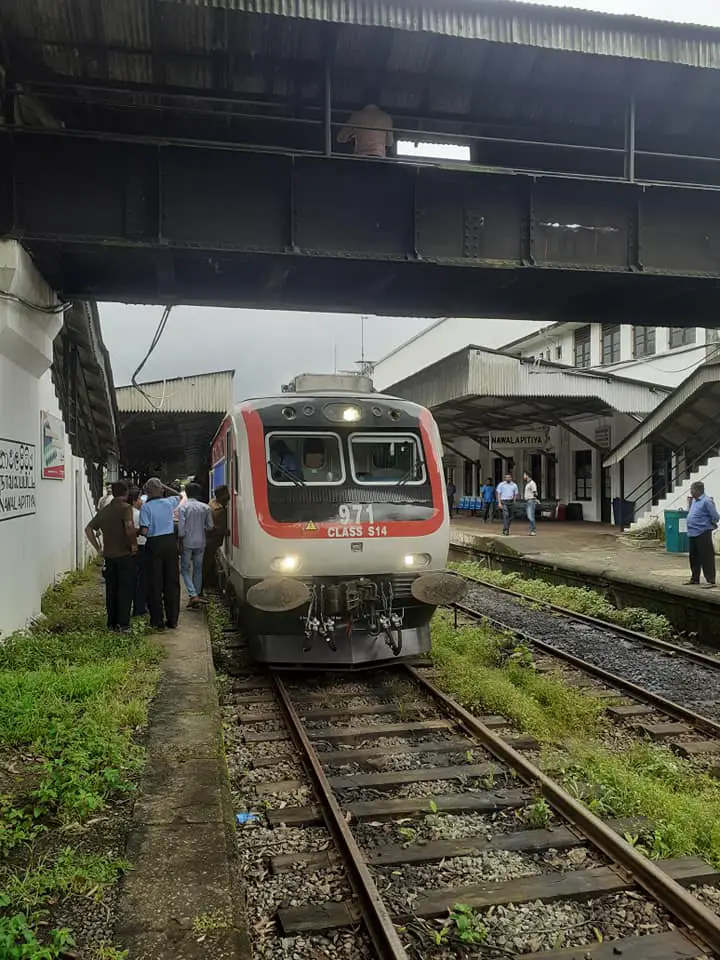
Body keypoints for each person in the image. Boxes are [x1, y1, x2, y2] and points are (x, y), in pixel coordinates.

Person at [85, 480, 137, 631]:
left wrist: (98, 548)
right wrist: (133, 544)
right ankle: (123, 624)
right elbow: (129, 528)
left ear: (113, 493)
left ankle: (111, 623)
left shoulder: (105, 510)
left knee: (111, 591)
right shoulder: (126, 508)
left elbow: (88, 529)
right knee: (125, 590)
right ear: (126, 493)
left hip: (109, 557)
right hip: (124, 555)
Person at [140, 477, 182, 630]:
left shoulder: (146, 507)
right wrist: (163, 485)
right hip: (170, 544)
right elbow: (180, 495)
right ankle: (173, 620)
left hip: (154, 545)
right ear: (161, 490)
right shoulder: (169, 502)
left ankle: (157, 620)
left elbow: (144, 531)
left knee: (155, 583)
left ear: (147, 492)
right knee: (172, 582)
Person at [178, 483, 214, 609]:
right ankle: (196, 594)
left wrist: (180, 539)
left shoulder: (183, 508)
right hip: (201, 542)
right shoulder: (205, 507)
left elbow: (181, 530)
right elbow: (210, 526)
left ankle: (193, 595)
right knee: (198, 569)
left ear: (186, 493)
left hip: (187, 542)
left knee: (184, 569)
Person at [685, 481, 719, 588]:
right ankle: (695, 578)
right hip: (692, 532)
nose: (691, 491)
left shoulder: (707, 501)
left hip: (703, 532)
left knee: (706, 557)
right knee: (693, 557)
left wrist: (709, 525)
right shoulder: (694, 501)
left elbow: (715, 517)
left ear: (698, 490)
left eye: (692, 489)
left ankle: (710, 580)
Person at [203, 485, 230, 590]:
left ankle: (208, 585)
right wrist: (226, 531)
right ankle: (207, 586)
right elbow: (217, 528)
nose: (228, 496)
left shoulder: (212, 503)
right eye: (226, 494)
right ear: (222, 496)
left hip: (209, 539)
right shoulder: (218, 510)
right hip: (211, 540)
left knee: (209, 563)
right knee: (208, 563)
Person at [128, 486, 148, 618]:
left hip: (129, 548)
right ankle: (139, 608)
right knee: (142, 579)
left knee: (132, 578)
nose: (142, 501)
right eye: (140, 498)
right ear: (135, 500)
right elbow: (144, 531)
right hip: (141, 546)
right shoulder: (138, 514)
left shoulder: (128, 512)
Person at [523, 471, 539, 536]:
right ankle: (532, 530)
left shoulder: (532, 483)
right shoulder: (527, 483)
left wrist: (536, 499)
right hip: (528, 501)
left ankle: (533, 530)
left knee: (531, 516)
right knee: (529, 516)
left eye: (524, 475)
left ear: (527, 476)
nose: (523, 476)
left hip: (531, 501)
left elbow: (535, 492)